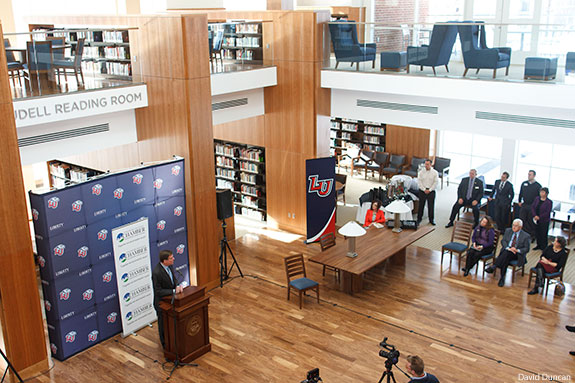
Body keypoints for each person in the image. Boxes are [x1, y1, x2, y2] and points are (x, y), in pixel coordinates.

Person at [152, 250, 184, 347]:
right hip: (161, 304)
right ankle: (165, 346)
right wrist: (174, 291)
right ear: (164, 261)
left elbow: (173, 279)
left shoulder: (170, 266)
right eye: (171, 258)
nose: (173, 259)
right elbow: (158, 291)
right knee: (163, 326)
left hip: (171, 301)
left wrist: (178, 285)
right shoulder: (157, 273)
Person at [485, 219, 530, 287]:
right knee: (506, 256)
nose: (514, 227)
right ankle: (502, 278)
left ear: (520, 227)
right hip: (507, 251)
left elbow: (527, 249)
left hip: (516, 254)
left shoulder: (526, 236)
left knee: (506, 254)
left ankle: (495, 266)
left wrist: (517, 250)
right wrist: (508, 248)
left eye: (516, 226)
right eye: (513, 225)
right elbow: (503, 241)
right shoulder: (508, 231)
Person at [518, 170, 542, 238]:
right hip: (524, 204)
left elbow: (539, 197)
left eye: (530, 175)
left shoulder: (538, 186)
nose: (529, 176)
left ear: (534, 176)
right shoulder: (524, 183)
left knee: (530, 221)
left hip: (532, 206)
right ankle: (521, 234)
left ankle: (530, 235)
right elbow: (521, 193)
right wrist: (520, 201)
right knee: (522, 219)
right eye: (528, 174)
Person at [417, 159, 438, 226]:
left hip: (431, 191)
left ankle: (431, 220)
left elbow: (435, 182)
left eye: (428, 164)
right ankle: (419, 219)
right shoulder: (421, 172)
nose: (426, 166)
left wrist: (430, 189)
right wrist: (424, 189)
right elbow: (419, 182)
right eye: (425, 164)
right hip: (422, 191)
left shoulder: (435, 173)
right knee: (421, 206)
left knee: (431, 206)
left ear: (431, 165)